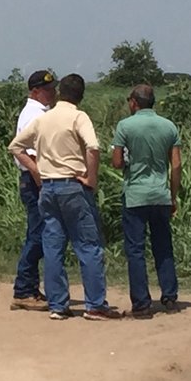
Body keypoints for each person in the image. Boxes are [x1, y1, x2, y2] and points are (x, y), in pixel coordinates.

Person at [8, 74, 121, 321]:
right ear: (81, 95)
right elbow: (93, 147)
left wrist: (38, 171)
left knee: (53, 246)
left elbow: (15, 146)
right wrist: (91, 178)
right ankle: (95, 305)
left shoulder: (43, 119)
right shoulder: (78, 117)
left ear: (60, 92)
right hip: (72, 185)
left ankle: (58, 305)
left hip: (48, 188)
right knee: (88, 245)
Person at [111, 84, 182, 318]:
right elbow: (176, 165)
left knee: (135, 249)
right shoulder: (169, 126)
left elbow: (117, 162)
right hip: (161, 194)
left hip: (135, 195)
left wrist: (128, 161)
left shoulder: (125, 126)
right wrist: (173, 195)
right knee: (163, 246)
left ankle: (141, 303)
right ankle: (169, 296)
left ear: (134, 102)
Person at [10, 70, 58, 311]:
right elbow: (27, 153)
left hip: (35, 179)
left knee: (38, 232)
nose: (53, 93)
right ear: (36, 91)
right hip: (34, 180)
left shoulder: (40, 112)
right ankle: (23, 289)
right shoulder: (34, 115)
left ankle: (29, 286)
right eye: (48, 90)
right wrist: (40, 178)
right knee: (38, 234)